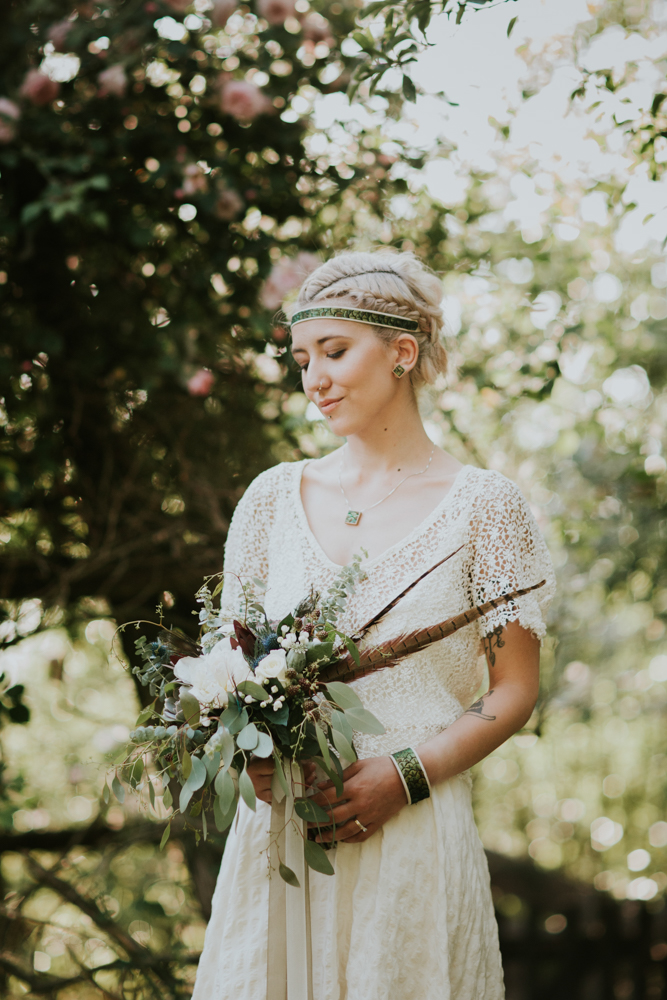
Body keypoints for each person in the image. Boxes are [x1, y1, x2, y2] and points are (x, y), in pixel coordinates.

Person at [192, 249, 556, 1000]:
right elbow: (230, 668)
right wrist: (252, 757)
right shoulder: (269, 501)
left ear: (401, 352)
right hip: (285, 839)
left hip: (410, 840)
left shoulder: (486, 508)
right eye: (300, 359)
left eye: (333, 351)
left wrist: (404, 775)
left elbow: (514, 689)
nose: (313, 378)